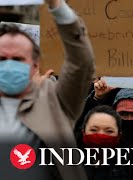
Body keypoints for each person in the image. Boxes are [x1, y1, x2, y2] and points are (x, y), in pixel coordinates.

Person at [0, 0, 95, 179]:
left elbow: (81, 63)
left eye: (18, 59)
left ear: (35, 65)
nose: (9, 65)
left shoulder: (54, 100)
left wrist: (58, 7)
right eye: (2, 58)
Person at [80, 105, 126, 180]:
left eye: (109, 131)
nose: (101, 135)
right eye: (94, 130)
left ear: (119, 135)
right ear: (84, 132)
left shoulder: (129, 167)